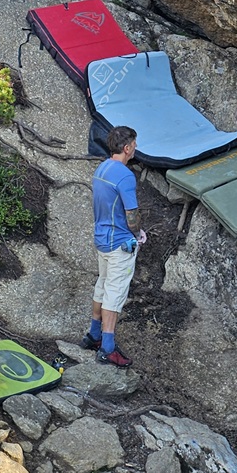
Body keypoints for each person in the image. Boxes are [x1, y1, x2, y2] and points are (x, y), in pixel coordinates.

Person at [84, 125, 146, 367]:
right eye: (135, 144)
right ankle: (108, 349)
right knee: (115, 293)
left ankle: (94, 335)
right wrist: (139, 233)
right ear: (127, 147)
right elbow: (131, 214)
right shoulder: (124, 175)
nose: (136, 148)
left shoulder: (102, 168)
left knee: (102, 285)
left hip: (102, 240)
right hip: (120, 243)